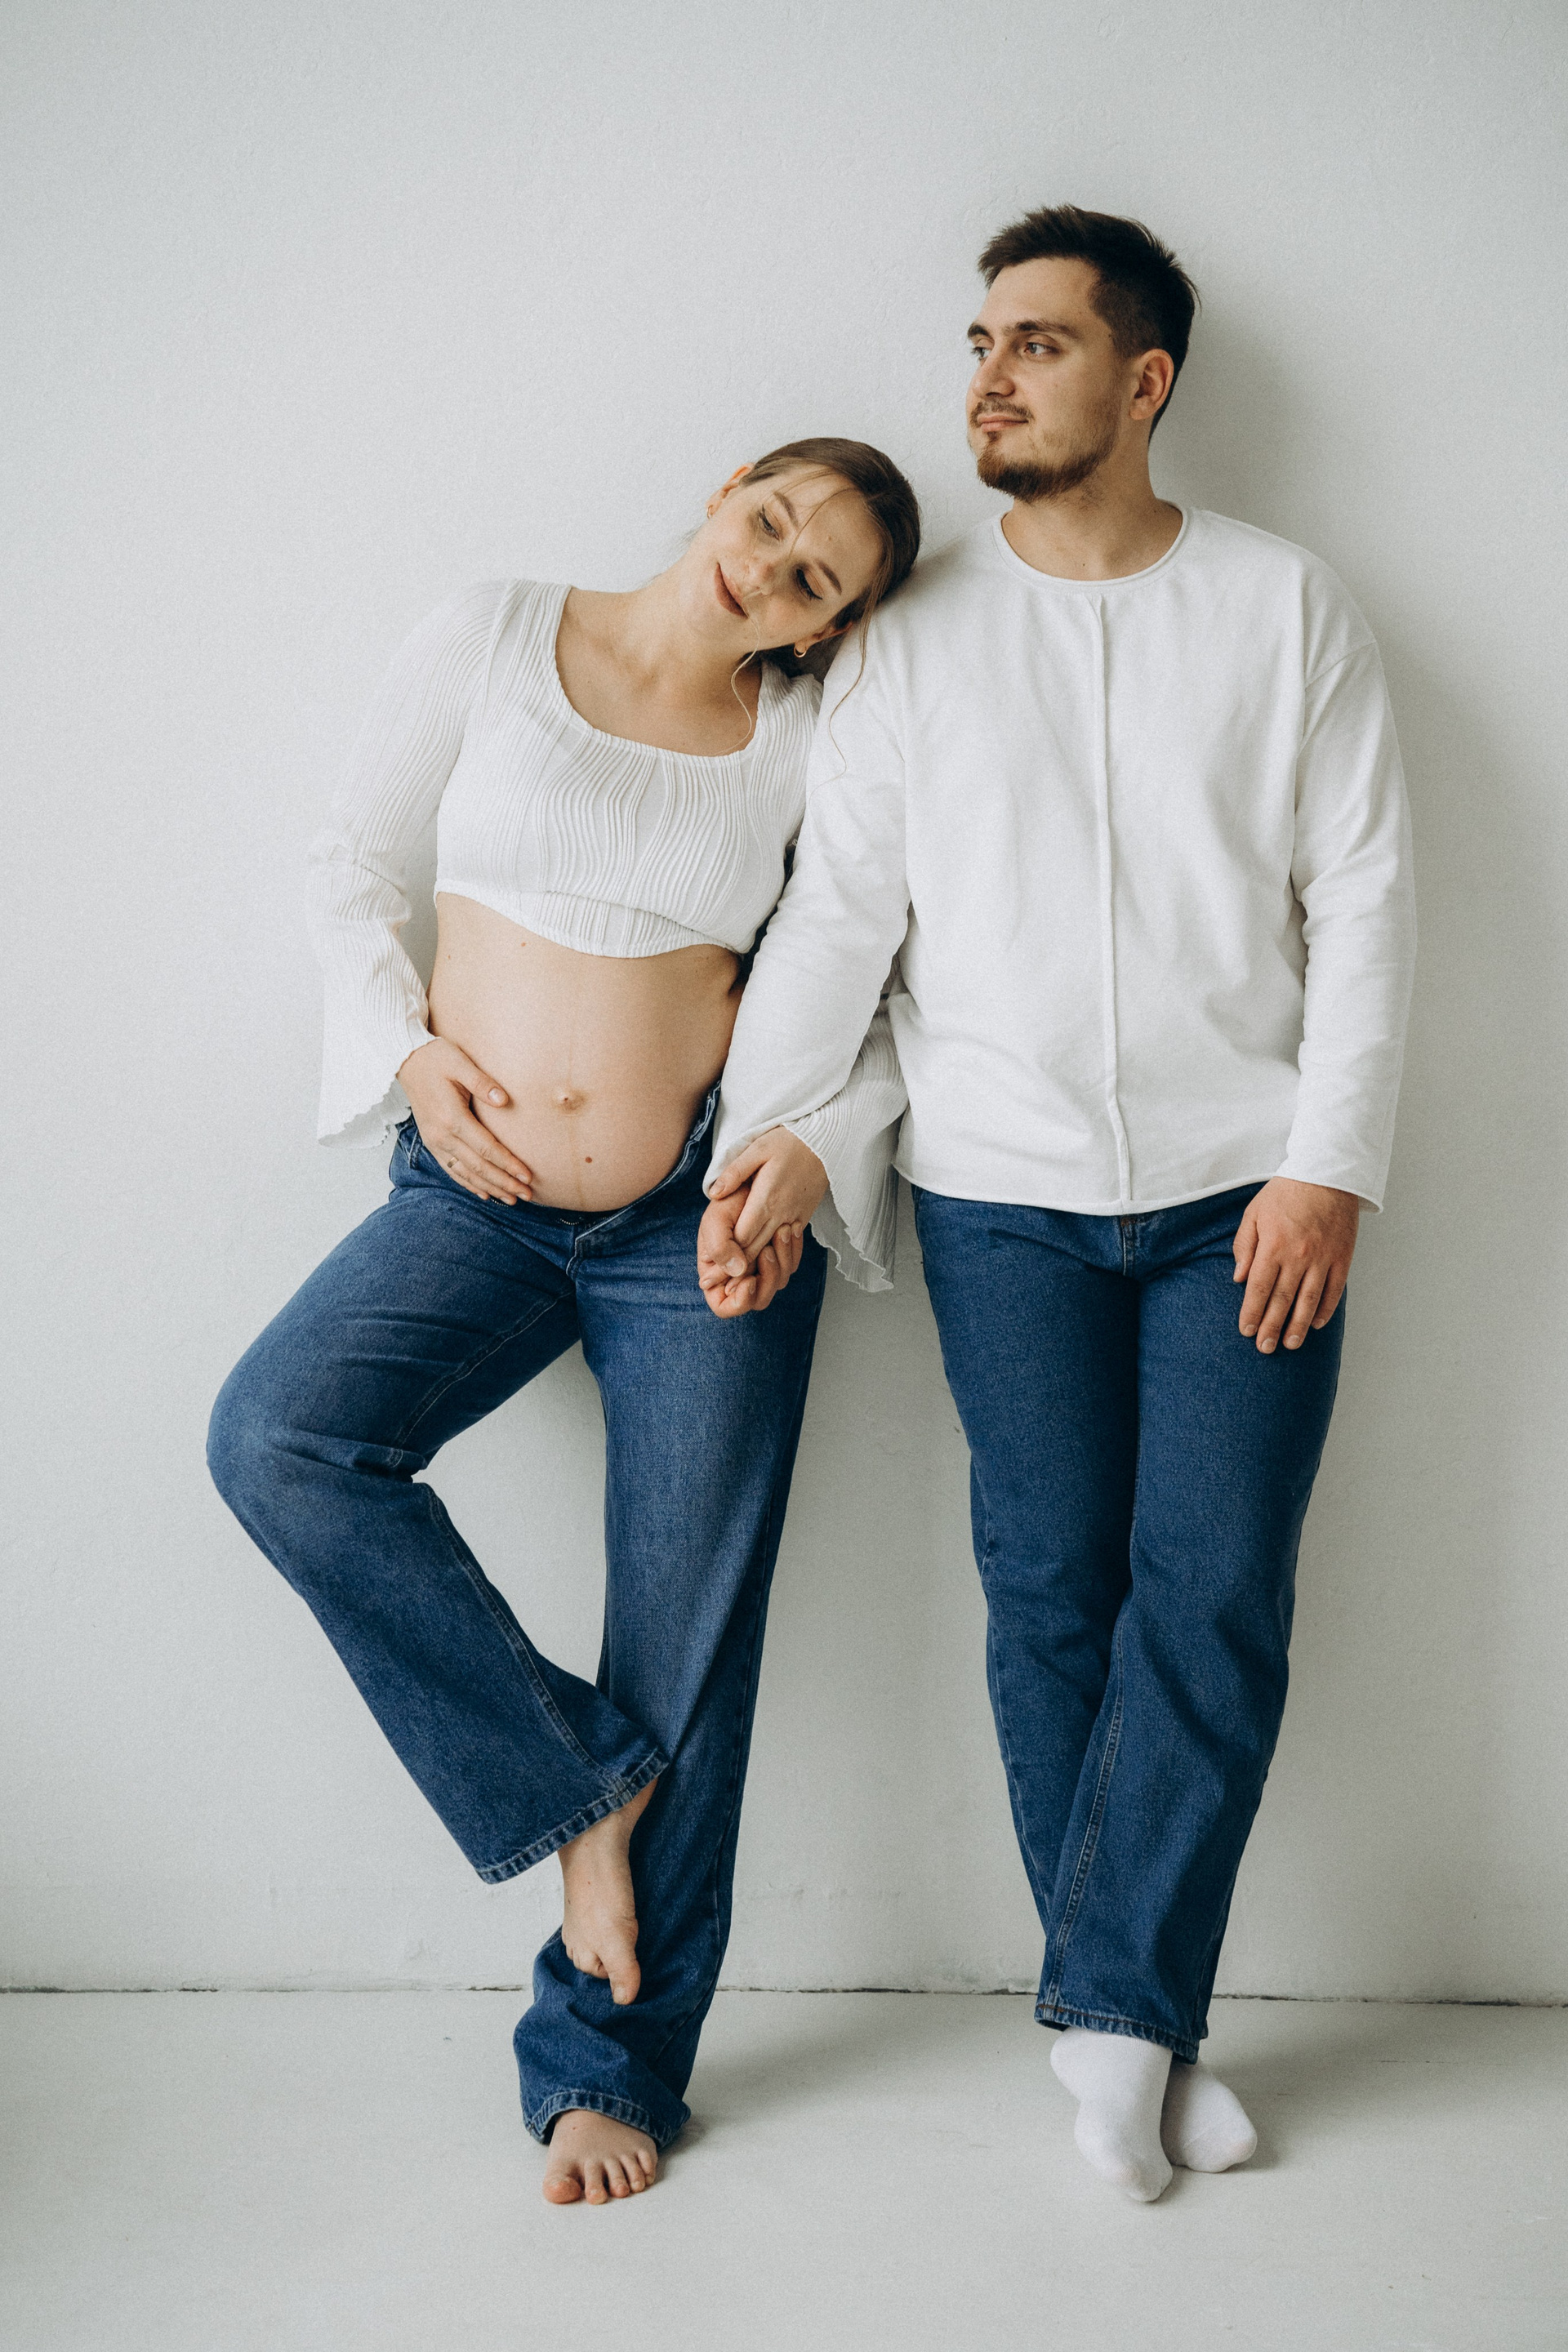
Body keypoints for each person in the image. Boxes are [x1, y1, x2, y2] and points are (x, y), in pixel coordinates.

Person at [699, 208, 1416, 2203]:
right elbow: (842, 916)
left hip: (1244, 1192)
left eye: (1037, 343)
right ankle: (1135, 2026)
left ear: (1144, 381)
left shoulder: (1287, 607)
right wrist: (770, 1135)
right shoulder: (913, 634)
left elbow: (1365, 901)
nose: (990, 378)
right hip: (999, 1193)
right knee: (1047, 1595)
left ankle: (1113, 2018)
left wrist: (1331, 1163)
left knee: (1217, 1595)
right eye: (981, 343)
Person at [207, 439, 920, 2206]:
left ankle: (609, 2063)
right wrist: (406, 1055)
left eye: (817, 579)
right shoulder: (499, 631)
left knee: (691, 1630)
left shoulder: (809, 743)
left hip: (697, 1222)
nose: (773, 567)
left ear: (829, 629)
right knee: (280, 1439)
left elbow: (887, 982)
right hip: (476, 1201)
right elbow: (345, 864)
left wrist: (810, 1155)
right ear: (730, 487)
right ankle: (574, 1787)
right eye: (775, 520)